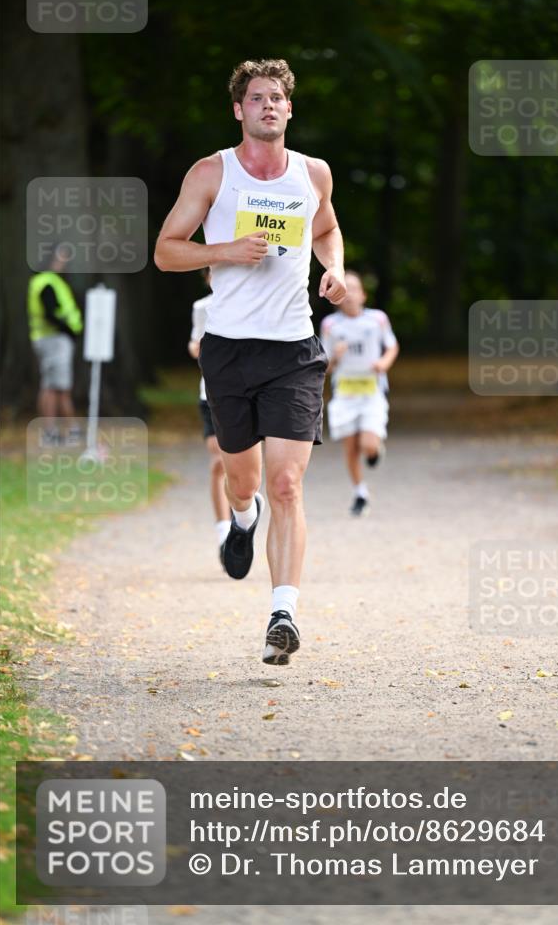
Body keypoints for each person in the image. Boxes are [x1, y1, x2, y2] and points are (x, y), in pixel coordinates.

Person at [154, 58, 346, 666]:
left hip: (294, 349)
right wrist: (226, 250)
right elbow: (164, 252)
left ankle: (283, 612)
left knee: (287, 483)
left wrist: (334, 269)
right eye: (257, 98)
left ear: (289, 109)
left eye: (277, 98)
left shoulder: (313, 174)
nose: (268, 106)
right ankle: (242, 518)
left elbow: (327, 231)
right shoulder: (213, 173)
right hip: (229, 349)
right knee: (245, 480)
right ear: (239, 110)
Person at [321, 271, 399, 515]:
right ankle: (360, 493)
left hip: (372, 391)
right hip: (344, 393)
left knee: (367, 444)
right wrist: (335, 357)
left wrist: (384, 364)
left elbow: (392, 346)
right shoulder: (330, 325)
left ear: (363, 294)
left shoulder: (377, 319)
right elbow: (324, 366)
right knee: (350, 448)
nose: (349, 295)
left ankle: (375, 450)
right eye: (344, 290)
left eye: (354, 289)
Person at [188, 269, 232, 560]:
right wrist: (198, 349)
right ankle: (223, 533)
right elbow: (195, 343)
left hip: (246, 394)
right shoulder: (202, 308)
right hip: (212, 393)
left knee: (240, 466)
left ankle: (243, 515)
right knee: (219, 461)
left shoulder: (250, 303)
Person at [27, 244, 83, 444]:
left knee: (50, 385)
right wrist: (68, 330)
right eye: (61, 257)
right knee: (58, 387)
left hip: (46, 339)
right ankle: (61, 430)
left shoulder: (42, 281)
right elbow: (50, 313)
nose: (63, 262)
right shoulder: (48, 283)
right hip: (54, 340)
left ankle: (53, 431)